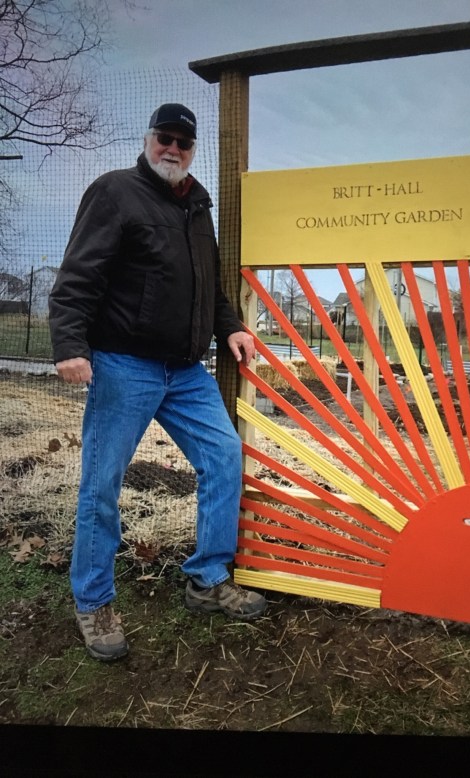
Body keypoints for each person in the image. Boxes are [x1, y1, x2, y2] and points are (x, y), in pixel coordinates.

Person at [49, 102, 266, 662]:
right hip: (124, 364)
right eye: (164, 139)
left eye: (184, 143)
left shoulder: (197, 206)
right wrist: (70, 345)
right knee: (102, 483)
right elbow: (79, 273)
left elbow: (206, 287)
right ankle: (94, 602)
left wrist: (231, 328)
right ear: (148, 140)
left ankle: (207, 578)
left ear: (194, 151)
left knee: (223, 457)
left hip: (186, 372)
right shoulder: (115, 192)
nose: (173, 149)